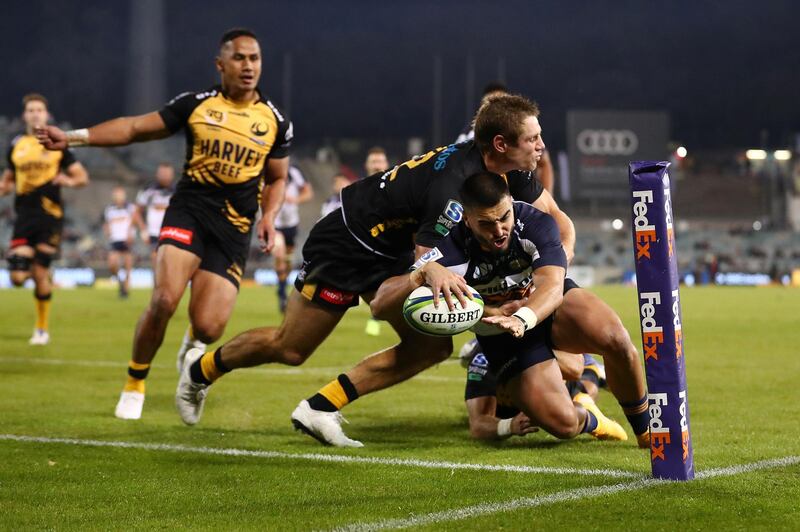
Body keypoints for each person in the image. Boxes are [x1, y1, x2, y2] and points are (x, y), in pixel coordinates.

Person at [173, 94, 569, 440]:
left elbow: (557, 220)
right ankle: (201, 369)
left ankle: (320, 407)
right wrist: (455, 287)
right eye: (533, 138)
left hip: (391, 247)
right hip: (349, 242)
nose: (541, 146)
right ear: (501, 144)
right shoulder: (454, 188)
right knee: (291, 348)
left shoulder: (509, 172)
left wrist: (556, 273)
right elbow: (426, 259)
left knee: (430, 347)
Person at [36, 28, 292, 420]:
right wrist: (72, 138)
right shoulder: (196, 105)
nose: (248, 66)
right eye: (239, 58)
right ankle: (135, 382)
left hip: (234, 229)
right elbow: (135, 129)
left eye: (255, 58)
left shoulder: (275, 121)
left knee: (209, 327)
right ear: (220, 64)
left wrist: (269, 215)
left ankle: (192, 341)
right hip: (189, 211)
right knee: (164, 299)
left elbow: (276, 178)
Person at [374, 172, 627, 443]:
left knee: (579, 365)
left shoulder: (531, 224)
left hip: (537, 314)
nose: (498, 230)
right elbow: (380, 306)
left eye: (504, 217)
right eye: (486, 223)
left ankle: (591, 387)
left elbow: (553, 279)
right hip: (500, 340)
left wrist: (556, 262)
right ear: (467, 220)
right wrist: (423, 271)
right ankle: (590, 414)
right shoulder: (451, 250)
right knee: (563, 425)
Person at [0, 93, 89, 345]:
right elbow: (7, 180)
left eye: (39, 109)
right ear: (24, 115)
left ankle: (41, 328)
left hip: (50, 217)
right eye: (31, 110)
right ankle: (44, 276)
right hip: (23, 217)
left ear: (46, 115)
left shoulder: (57, 143)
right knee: (17, 278)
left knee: (39, 273)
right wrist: (3, 187)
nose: (35, 113)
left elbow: (82, 177)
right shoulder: (16, 145)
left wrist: (68, 180)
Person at [457, 82, 554, 194]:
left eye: (502, 102)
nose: (498, 108)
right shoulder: (469, 135)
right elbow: (460, 162)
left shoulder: (522, 131)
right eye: (491, 103)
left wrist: (547, 195)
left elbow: (544, 162)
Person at [273, 165, 313, 313]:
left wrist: (295, 199)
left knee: (287, 260)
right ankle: (283, 294)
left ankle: (281, 286)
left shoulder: (295, 172)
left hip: (291, 224)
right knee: (279, 254)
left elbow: (308, 193)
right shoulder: (267, 172)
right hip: (274, 223)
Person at [362, 147, 391, 337]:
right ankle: (375, 316)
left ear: (386, 164)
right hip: (369, 244)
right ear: (366, 166)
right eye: (373, 161)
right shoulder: (359, 190)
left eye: (380, 161)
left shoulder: (396, 185)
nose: (377, 165)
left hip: (394, 243)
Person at [103, 186, 145, 298]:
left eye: (120, 195)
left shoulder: (130, 208)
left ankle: (125, 290)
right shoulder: (109, 209)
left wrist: (142, 232)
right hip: (115, 240)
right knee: (112, 264)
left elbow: (137, 220)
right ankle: (121, 282)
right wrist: (107, 230)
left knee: (127, 267)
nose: (118, 197)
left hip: (127, 240)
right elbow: (106, 223)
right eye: (116, 195)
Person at [135, 162, 175, 270]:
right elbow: (137, 211)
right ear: (157, 174)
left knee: (171, 258)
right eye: (162, 173)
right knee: (155, 257)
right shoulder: (148, 190)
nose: (165, 176)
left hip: (172, 231)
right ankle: (157, 283)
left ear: (172, 175)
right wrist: (143, 230)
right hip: (154, 232)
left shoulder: (177, 191)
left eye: (167, 173)